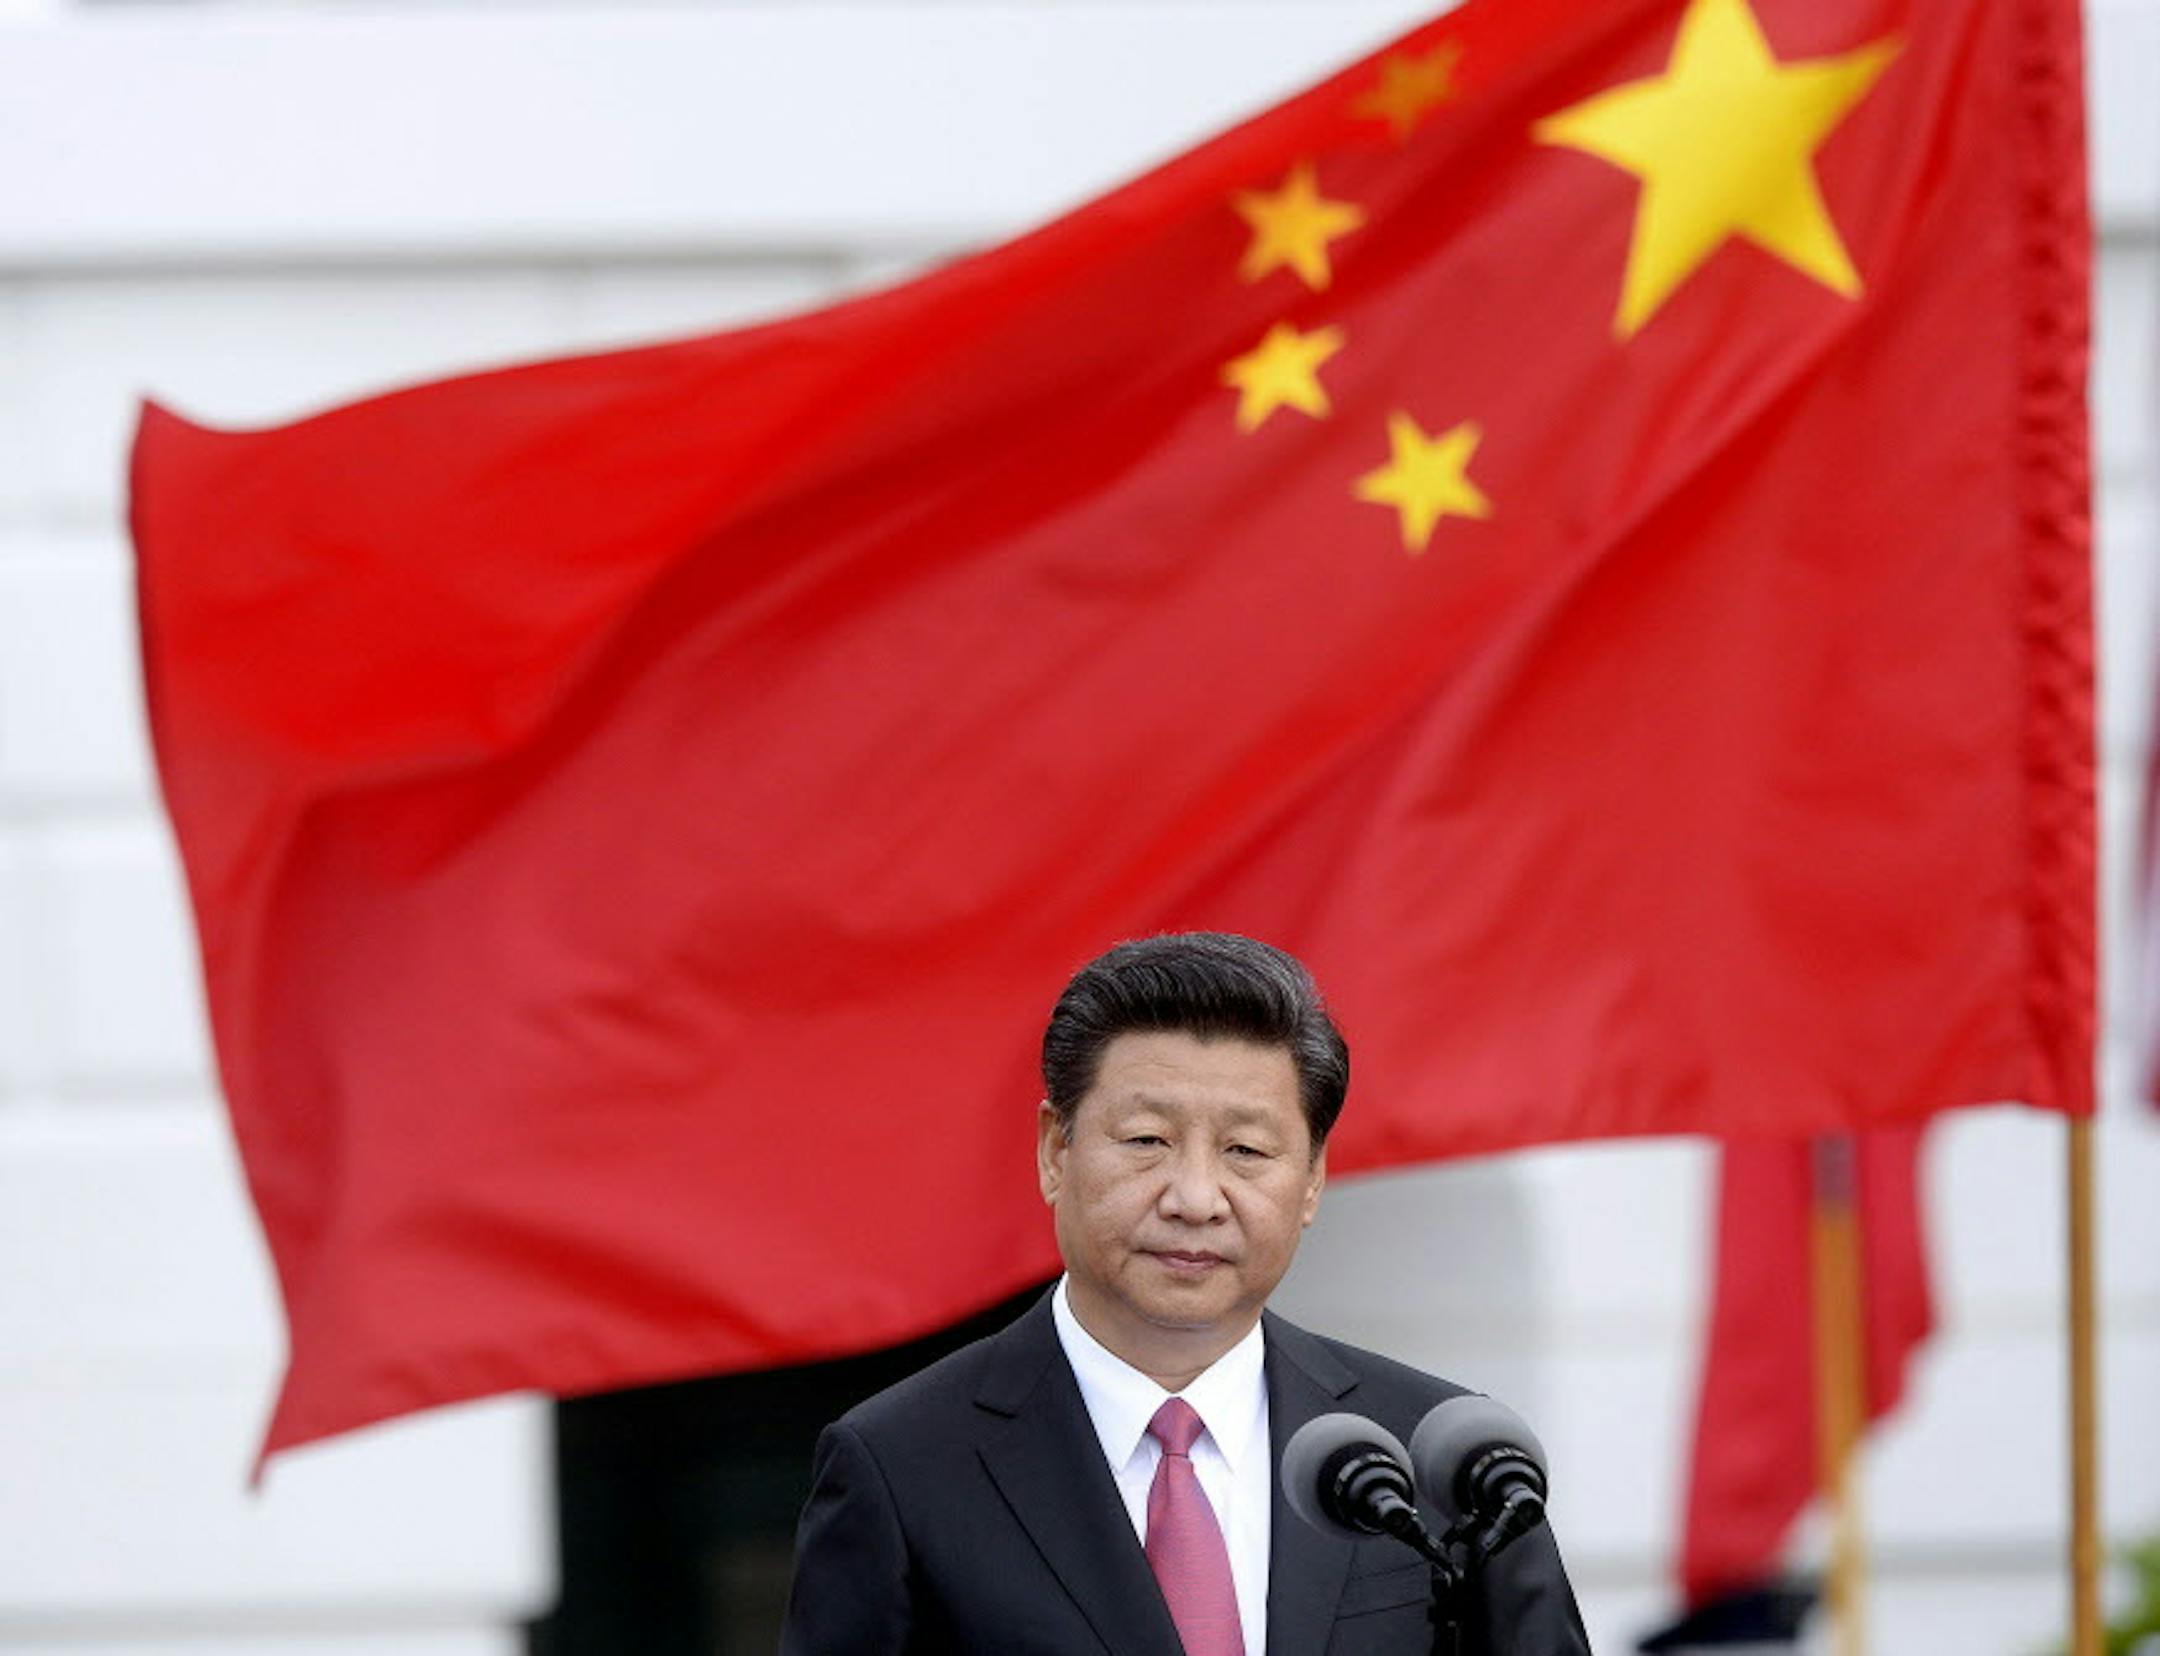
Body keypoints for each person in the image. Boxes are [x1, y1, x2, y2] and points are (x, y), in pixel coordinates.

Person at [780, 932, 1589, 1655]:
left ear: (1311, 1181)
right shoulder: (902, 1462)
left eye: (1246, 1150)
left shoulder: (1436, 1456)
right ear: (1055, 1151)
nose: (1195, 1197)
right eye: (1146, 1142)